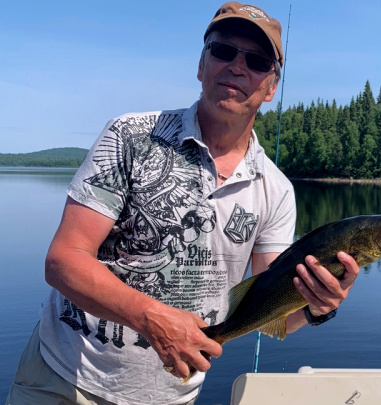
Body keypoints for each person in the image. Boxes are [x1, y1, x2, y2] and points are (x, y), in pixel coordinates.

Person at [6, 3, 361, 404]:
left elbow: (273, 312)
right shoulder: (131, 136)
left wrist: (318, 306)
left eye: (257, 61)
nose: (237, 67)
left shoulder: (275, 190)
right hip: (62, 379)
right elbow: (63, 260)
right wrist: (150, 317)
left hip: (171, 395)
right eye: (224, 50)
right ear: (201, 64)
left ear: (271, 87)